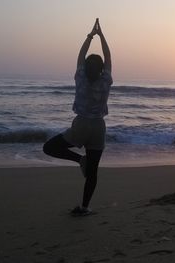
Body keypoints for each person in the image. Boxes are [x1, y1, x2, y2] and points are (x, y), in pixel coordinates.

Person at [43, 18, 112, 216]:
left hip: (80, 125)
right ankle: (84, 207)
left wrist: (90, 36)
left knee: (49, 148)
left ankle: (79, 159)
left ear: (85, 67)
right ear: (101, 69)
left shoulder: (80, 77)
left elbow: (81, 56)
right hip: (98, 128)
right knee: (93, 172)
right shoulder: (106, 79)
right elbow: (108, 56)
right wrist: (102, 35)